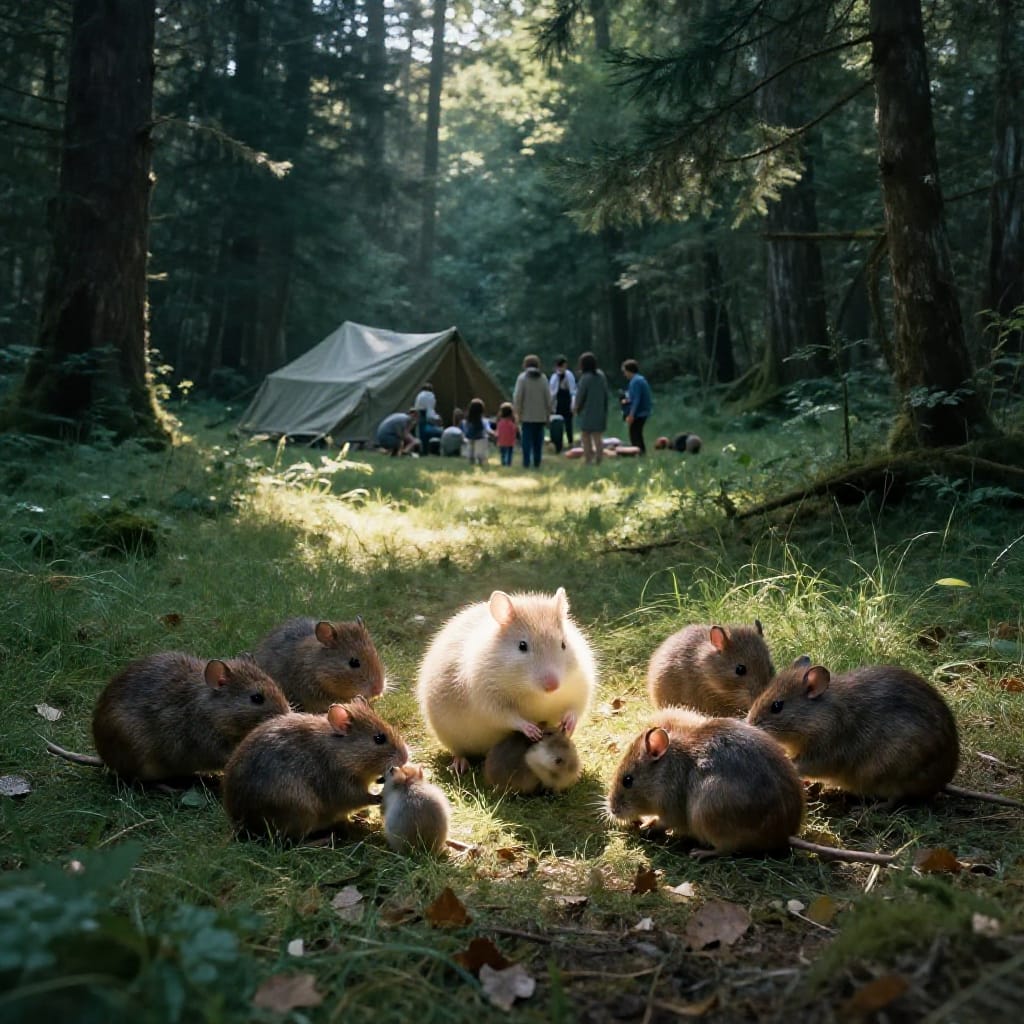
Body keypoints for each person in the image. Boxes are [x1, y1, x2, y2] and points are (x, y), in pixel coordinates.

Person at [513, 354, 553, 468]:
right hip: (540, 416)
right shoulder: (543, 378)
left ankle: (526, 462)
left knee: (526, 441)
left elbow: (518, 397)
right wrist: (548, 412)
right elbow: (548, 397)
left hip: (526, 415)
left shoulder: (522, 378)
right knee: (538, 441)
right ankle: (537, 461)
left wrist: (517, 412)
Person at [573, 351, 609, 466]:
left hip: (587, 411)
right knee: (598, 436)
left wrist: (576, 408)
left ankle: (588, 458)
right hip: (600, 410)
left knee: (585, 436)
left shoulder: (585, 378)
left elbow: (580, 395)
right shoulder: (601, 376)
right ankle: (599, 458)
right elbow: (605, 393)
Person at [620, 358, 653, 454]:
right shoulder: (639, 380)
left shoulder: (636, 382)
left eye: (625, 371)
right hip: (642, 411)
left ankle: (637, 452)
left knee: (634, 434)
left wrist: (631, 414)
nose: (624, 374)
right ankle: (641, 452)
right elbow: (634, 397)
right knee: (637, 433)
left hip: (639, 413)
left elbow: (637, 399)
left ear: (629, 370)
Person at [549, 356, 576, 452]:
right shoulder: (554, 377)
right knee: (557, 423)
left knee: (569, 423)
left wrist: (573, 404)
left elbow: (573, 390)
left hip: (567, 400)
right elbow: (552, 392)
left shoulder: (569, 375)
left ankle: (570, 442)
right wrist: (550, 406)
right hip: (558, 402)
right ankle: (557, 443)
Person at [414, 382, 441, 453]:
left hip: (420, 419)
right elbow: (431, 411)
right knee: (440, 432)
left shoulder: (419, 396)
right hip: (427, 420)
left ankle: (423, 450)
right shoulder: (431, 396)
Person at [463, 398, 491, 466]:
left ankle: (471, 461)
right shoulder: (482, 421)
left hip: (470, 437)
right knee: (481, 451)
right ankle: (481, 461)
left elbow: (466, 428)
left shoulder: (468, 420)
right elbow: (486, 429)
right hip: (480, 438)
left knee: (471, 450)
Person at [495, 401, 517, 466]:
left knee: (503, 453)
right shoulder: (511, 424)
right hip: (510, 442)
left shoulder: (500, 423)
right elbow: (514, 432)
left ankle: (503, 462)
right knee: (509, 453)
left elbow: (498, 432)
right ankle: (508, 463)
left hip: (501, 441)